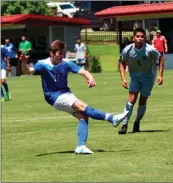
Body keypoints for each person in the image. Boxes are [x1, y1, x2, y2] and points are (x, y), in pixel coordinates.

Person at [20, 40, 128, 154]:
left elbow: (83, 71)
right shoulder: (43, 64)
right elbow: (28, 71)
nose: (61, 56)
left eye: (63, 53)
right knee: (82, 106)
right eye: (59, 53)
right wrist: (24, 63)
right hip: (53, 96)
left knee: (83, 116)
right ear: (52, 53)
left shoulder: (66, 63)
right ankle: (112, 119)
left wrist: (90, 78)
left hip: (66, 94)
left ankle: (80, 147)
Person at [118, 28, 164, 135]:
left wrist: (160, 75)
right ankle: (124, 124)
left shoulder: (150, 50)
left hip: (148, 77)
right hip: (135, 77)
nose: (140, 38)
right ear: (133, 38)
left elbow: (161, 58)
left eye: (142, 37)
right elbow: (122, 63)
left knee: (142, 101)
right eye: (138, 36)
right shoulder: (127, 50)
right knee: (131, 99)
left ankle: (137, 122)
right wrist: (124, 78)